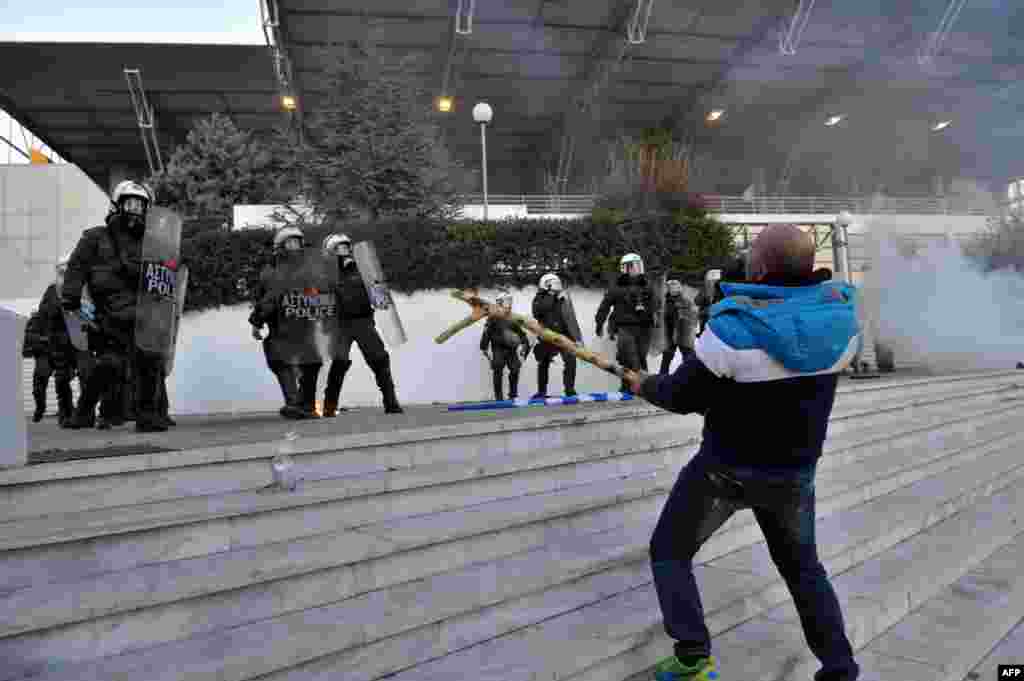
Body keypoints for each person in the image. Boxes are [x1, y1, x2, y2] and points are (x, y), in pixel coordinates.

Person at [622, 224, 861, 681]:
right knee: (804, 572)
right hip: (794, 475)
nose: (747, 261)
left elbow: (680, 396)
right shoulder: (843, 324)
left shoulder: (733, 329)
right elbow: (783, 386)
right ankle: (840, 669)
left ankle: (693, 658)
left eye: (752, 254)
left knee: (670, 552)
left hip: (724, 472)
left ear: (763, 266)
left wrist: (644, 384)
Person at [61, 180, 169, 432]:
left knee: (149, 362)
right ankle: (85, 410)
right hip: (109, 313)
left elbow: (164, 273)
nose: (135, 209)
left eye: (141, 205)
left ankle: (146, 416)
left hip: (143, 311)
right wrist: (71, 296)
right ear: (117, 205)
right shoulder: (94, 238)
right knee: (109, 365)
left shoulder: (151, 243)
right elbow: (76, 268)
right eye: (130, 203)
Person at [321, 233, 403, 415]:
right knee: (339, 363)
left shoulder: (362, 269)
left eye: (346, 247)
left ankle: (391, 403)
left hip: (363, 321)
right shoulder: (326, 274)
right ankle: (329, 406)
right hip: (340, 324)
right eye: (339, 248)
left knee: (380, 359)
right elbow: (320, 300)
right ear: (331, 252)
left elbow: (379, 297)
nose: (345, 251)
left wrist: (378, 293)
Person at [250, 225, 324, 420]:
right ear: (280, 246)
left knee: (291, 363)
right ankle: (301, 404)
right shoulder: (279, 270)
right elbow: (268, 299)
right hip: (286, 324)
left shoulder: (300, 268)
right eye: (290, 243)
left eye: (297, 242)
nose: (295, 247)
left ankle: (299, 404)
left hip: (298, 324)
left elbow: (316, 294)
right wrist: (257, 321)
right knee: (288, 362)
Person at [595, 253, 660, 392]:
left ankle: (643, 387)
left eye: (638, 266)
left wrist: (654, 315)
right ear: (624, 268)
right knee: (629, 357)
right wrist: (599, 324)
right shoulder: (617, 287)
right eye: (632, 267)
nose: (636, 270)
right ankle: (630, 385)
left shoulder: (647, 285)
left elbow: (656, 305)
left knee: (641, 356)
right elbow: (604, 306)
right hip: (624, 326)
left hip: (644, 327)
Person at [531, 273, 582, 398]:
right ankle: (542, 392)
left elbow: (570, 318)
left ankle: (570, 390)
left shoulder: (562, 298)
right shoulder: (539, 298)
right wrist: (551, 295)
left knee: (570, 360)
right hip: (547, 335)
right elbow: (538, 311)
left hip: (564, 335)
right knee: (543, 362)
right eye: (554, 284)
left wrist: (576, 338)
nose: (557, 287)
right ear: (546, 285)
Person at [480, 290, 530, 400]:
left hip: (511, 349)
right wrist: (484, 347)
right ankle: (499, 397)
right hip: (498, 348)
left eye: (510, 302)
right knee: (498, 368)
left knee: (515, 369)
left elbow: (521, 333)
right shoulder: (492, 318)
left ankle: (513, 395)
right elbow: (486, 333)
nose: (509, 305)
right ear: (500, 303)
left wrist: (524, 343)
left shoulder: (512, 318)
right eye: (507, 302)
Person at [659, 279, 698, 374]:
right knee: (666, 359)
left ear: (679, 288)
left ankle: (690, 377)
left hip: (683, 334)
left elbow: (693, 317)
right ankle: (662, 379)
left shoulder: (686, 301)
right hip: (669, 333)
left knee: (688, 359)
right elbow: (661, 316)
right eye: (670, 287)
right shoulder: (664, 302)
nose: (673, 289)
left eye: (675, 286)